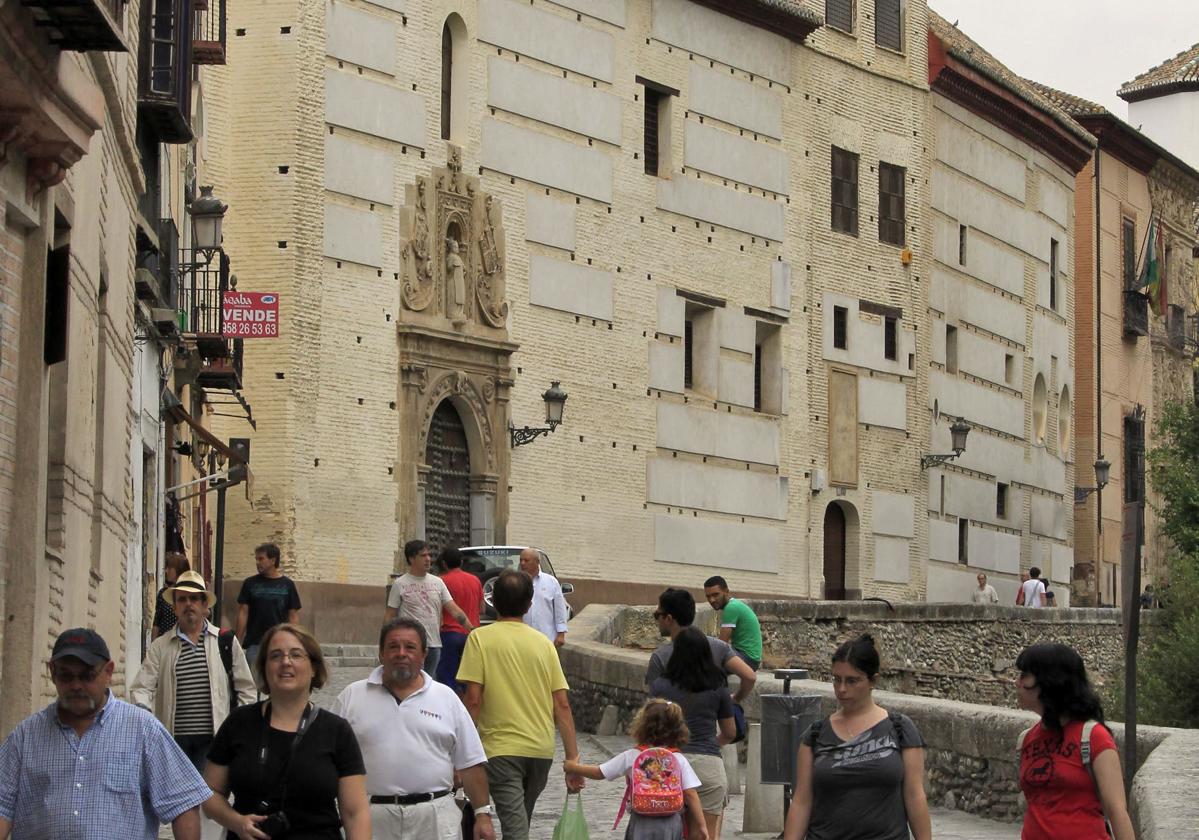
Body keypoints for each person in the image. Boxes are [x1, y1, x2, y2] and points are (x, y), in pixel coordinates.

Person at [0, 628, 212, 840]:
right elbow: (2, 807)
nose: (76, 685)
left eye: (87, 676)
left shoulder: (143, 730)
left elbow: (182, 804)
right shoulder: (25, 737)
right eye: (66, 676)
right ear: (52, 672)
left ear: (108, 672)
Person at [203, 623, 370, 840]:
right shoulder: (239, 723)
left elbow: (355, 812)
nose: (285, 662)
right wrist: (236, 822)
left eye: (296, 655)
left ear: (314, 668)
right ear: (264, 668)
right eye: (275, 656)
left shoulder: (336, 731)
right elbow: (209, 794)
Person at [334, 618, 496, 840]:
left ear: (424, 655)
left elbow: (471, 762)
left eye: (410, 647)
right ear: (381, 653)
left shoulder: (446, 697)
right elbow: (328, 761)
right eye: (393, 647)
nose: (401, 653)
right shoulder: (351, 697)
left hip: (435, 817)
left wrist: (482, 815)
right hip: (370, 817)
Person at [458, 569, 585, 840]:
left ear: (491, 601)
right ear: (529, 605)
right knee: (518, 825)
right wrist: (572, 760)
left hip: (500, 750)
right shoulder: (544, 645)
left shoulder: (480, 639)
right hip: (540, 752)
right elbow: (561, 705)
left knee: (516, 830)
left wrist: (459, 752)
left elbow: (473, 700)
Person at [782, 634, 932, 840]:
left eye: (852, 681)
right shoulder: (815, 735)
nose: (842, 689)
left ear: (873, 681)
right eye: (837, 679)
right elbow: (801, 802)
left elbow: (915, 796)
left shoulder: (900, 729)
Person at [131, 570, 257, 773]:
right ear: (175, 607)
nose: (188, 604)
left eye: (194, 599)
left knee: (208, 797)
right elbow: (142, 688)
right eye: (182, 599)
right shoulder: (160, 646)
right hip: (174, 741)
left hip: (213, 740)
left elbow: (246, 689)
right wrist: (146, 716)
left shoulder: (224, 641)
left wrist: (239, 729)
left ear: (204, 605)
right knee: (179, 801)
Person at [1014, 643, 1135, 840]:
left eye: (1025, 675)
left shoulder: (1094, 737)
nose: (1017, 682)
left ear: (1050, 681)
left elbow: (1117, 811)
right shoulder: (1026, 739)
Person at [565, 699, 708, 840]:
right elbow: (690, 793)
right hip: (670, 822)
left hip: (641, 820)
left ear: (642, 725)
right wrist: (702, 826)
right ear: (678, 729)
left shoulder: (633, 755)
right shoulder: (678, 758)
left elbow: (600, 772)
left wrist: (572, 767)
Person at [649, 627, 735, 840]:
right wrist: (712, 744)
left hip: (668, 766)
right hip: (708, 766)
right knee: (705, 835)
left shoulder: (660, 685)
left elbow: (649, 731)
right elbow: (730, 732)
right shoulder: (718, 685)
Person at [645, 588, 756, 705]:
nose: (656, 619)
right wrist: (736, 699)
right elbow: (749, 677)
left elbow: (653, 705)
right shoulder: (719, 646)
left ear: (668, 619)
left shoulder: (660, 657)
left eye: (657, 614)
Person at [384, 539, 476, 676]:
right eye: (423, 556)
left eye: (428, 555)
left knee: (430, 683)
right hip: (411, 645)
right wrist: (384, 642)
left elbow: (454, 609)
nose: (428, 559)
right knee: (411, 681)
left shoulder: (438, 582)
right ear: (411, 558)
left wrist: (471, 629)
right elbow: (390, 615)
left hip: (434, 644)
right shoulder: (400, 584)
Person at [236, 542, 302, 666]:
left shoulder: (287, 585)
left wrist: (295, 639)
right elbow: (243, 612)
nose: (257, 562)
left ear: (272, 560)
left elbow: (293, 615)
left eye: (261, 559)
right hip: (255, 644)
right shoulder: (250, 584)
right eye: (256, 559)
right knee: (255, 681)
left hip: (280, 643)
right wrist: (237, 641)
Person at [436, 546, 483, 693]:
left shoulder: (440, 581)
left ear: (443, 564)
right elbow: (482, 609)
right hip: (471, 634)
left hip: (449, 634)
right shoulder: (475, 580)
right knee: (468, 679)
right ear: (461, 562)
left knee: (447, 678)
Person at [702, 576, 762, 670]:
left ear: (726, 591)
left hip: (748, 659)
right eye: (708, 596)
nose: (711, 600)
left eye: (715, 595)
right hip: (747, 656)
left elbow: (721, 644)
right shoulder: (734, 605)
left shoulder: (731, 608)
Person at [519, 547, 570, 647]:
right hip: (522, 639)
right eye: (521, 560)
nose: (522, 563)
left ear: (537, 562)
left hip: (546, 638)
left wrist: (561, 634)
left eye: (526, 560)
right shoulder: (516, 582)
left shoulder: (551, 582)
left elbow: (559, 609)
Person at [153, 552, 191, 638]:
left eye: (169, 568)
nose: (166, 571)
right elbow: (156, 623)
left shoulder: (191, 594)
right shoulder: (163, 593)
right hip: (164, 644)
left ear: (178, 570)